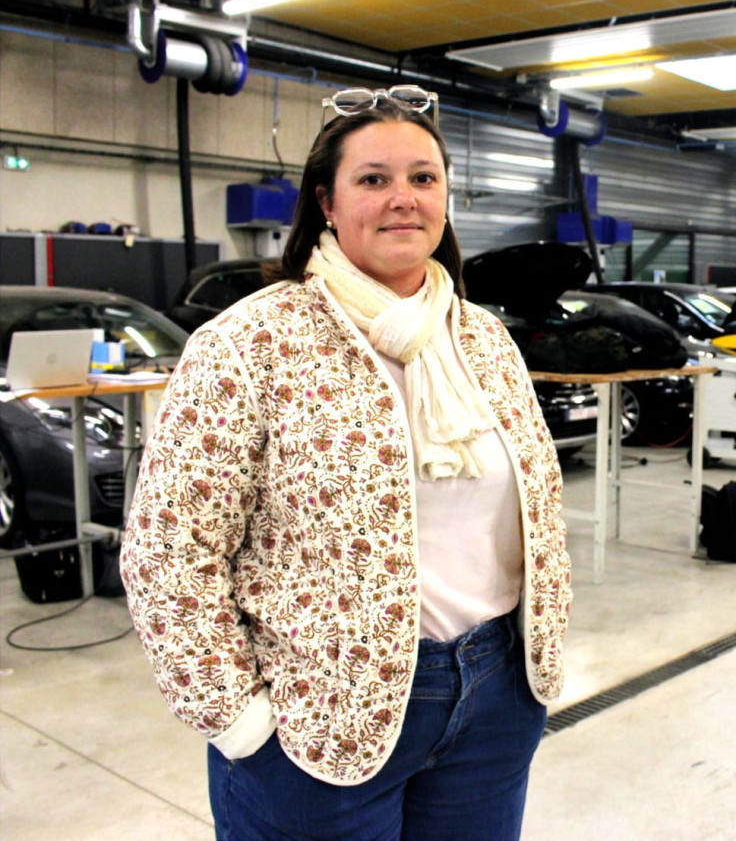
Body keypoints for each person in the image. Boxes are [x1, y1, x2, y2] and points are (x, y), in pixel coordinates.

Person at [121, 86, 571, 841]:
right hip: (317, 717)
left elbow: (540, 509)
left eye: (423, 178)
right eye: (373, 179)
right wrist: (239, 723)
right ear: (326, 202)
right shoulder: (251, 343)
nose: (403, 198)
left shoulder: (483, 339)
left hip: (497, 695)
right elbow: (169, 551)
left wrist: (538, 659)